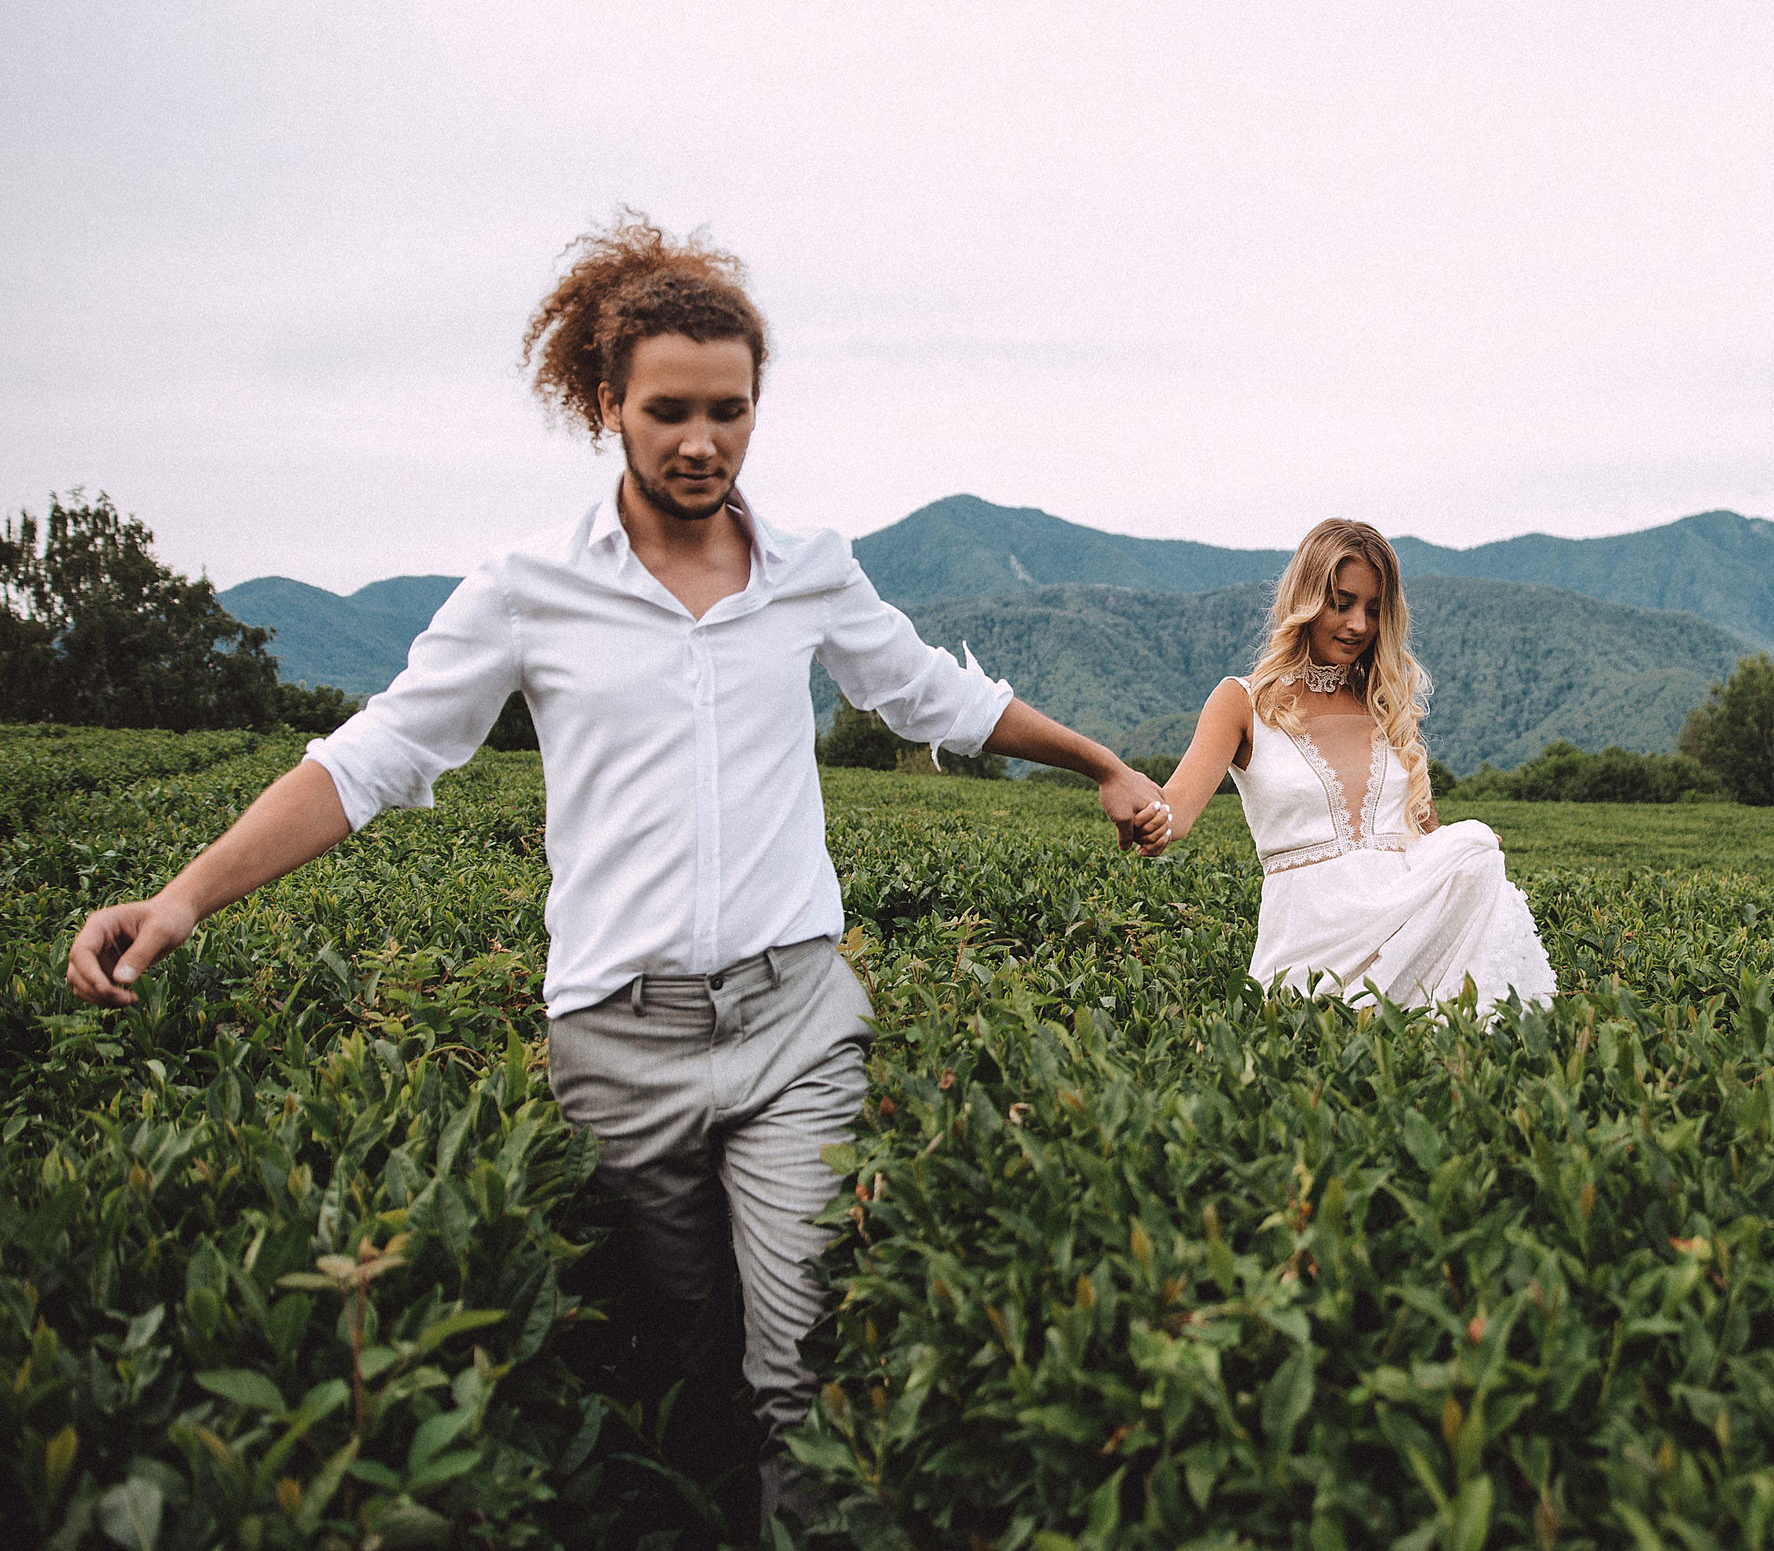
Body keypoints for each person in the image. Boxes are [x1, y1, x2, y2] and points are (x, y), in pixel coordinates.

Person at [65, 212, 1175, 1522]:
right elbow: (372, 758)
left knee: (796, 1356)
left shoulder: (809, 569)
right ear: (608, 405)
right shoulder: (529, 589)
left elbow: (928, 693)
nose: (701, 440)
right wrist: (185, 893)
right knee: (689, 1339)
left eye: (730, 409)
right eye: (668, 410)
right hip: (615, 1039)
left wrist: (1101, 759)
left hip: (792, 1018)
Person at [1144, 519, 1555, 1012]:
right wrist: (1118, 785)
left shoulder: (1388, 706)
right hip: (1311, 945)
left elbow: (1425, 839)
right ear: (1306, 601)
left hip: (1408, 938)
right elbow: (1178, 811)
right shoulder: (1242, 702)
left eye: (1375, 610)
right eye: (1341, 604)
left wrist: (1465, 851)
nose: (1359, 624)